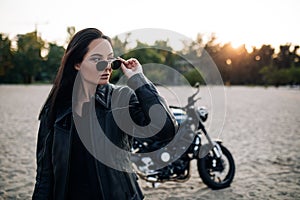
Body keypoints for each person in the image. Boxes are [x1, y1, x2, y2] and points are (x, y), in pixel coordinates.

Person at [32, 28, 177, 200]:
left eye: (109, 59)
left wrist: (138, 79)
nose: (107, 66)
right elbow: (45, 175)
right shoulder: (55, 109)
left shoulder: (121, 98)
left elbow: (166, 130)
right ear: (77, 63)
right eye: (96, 59)